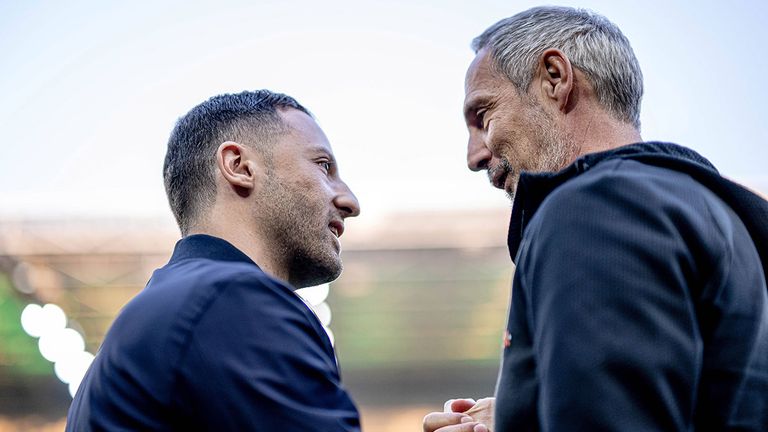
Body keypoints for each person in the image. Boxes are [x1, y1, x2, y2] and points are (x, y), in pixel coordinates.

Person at [424, 6, 768, 432]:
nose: (474, 157)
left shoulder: (591, 207)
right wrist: (526, 414)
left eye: (483, 116)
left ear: (556, 77)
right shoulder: (715, 217)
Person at [66, 90, 362, 431]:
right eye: (323, 166)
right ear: (239, 167)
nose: (350, 201)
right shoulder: (234, 299)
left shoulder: (141, 333)